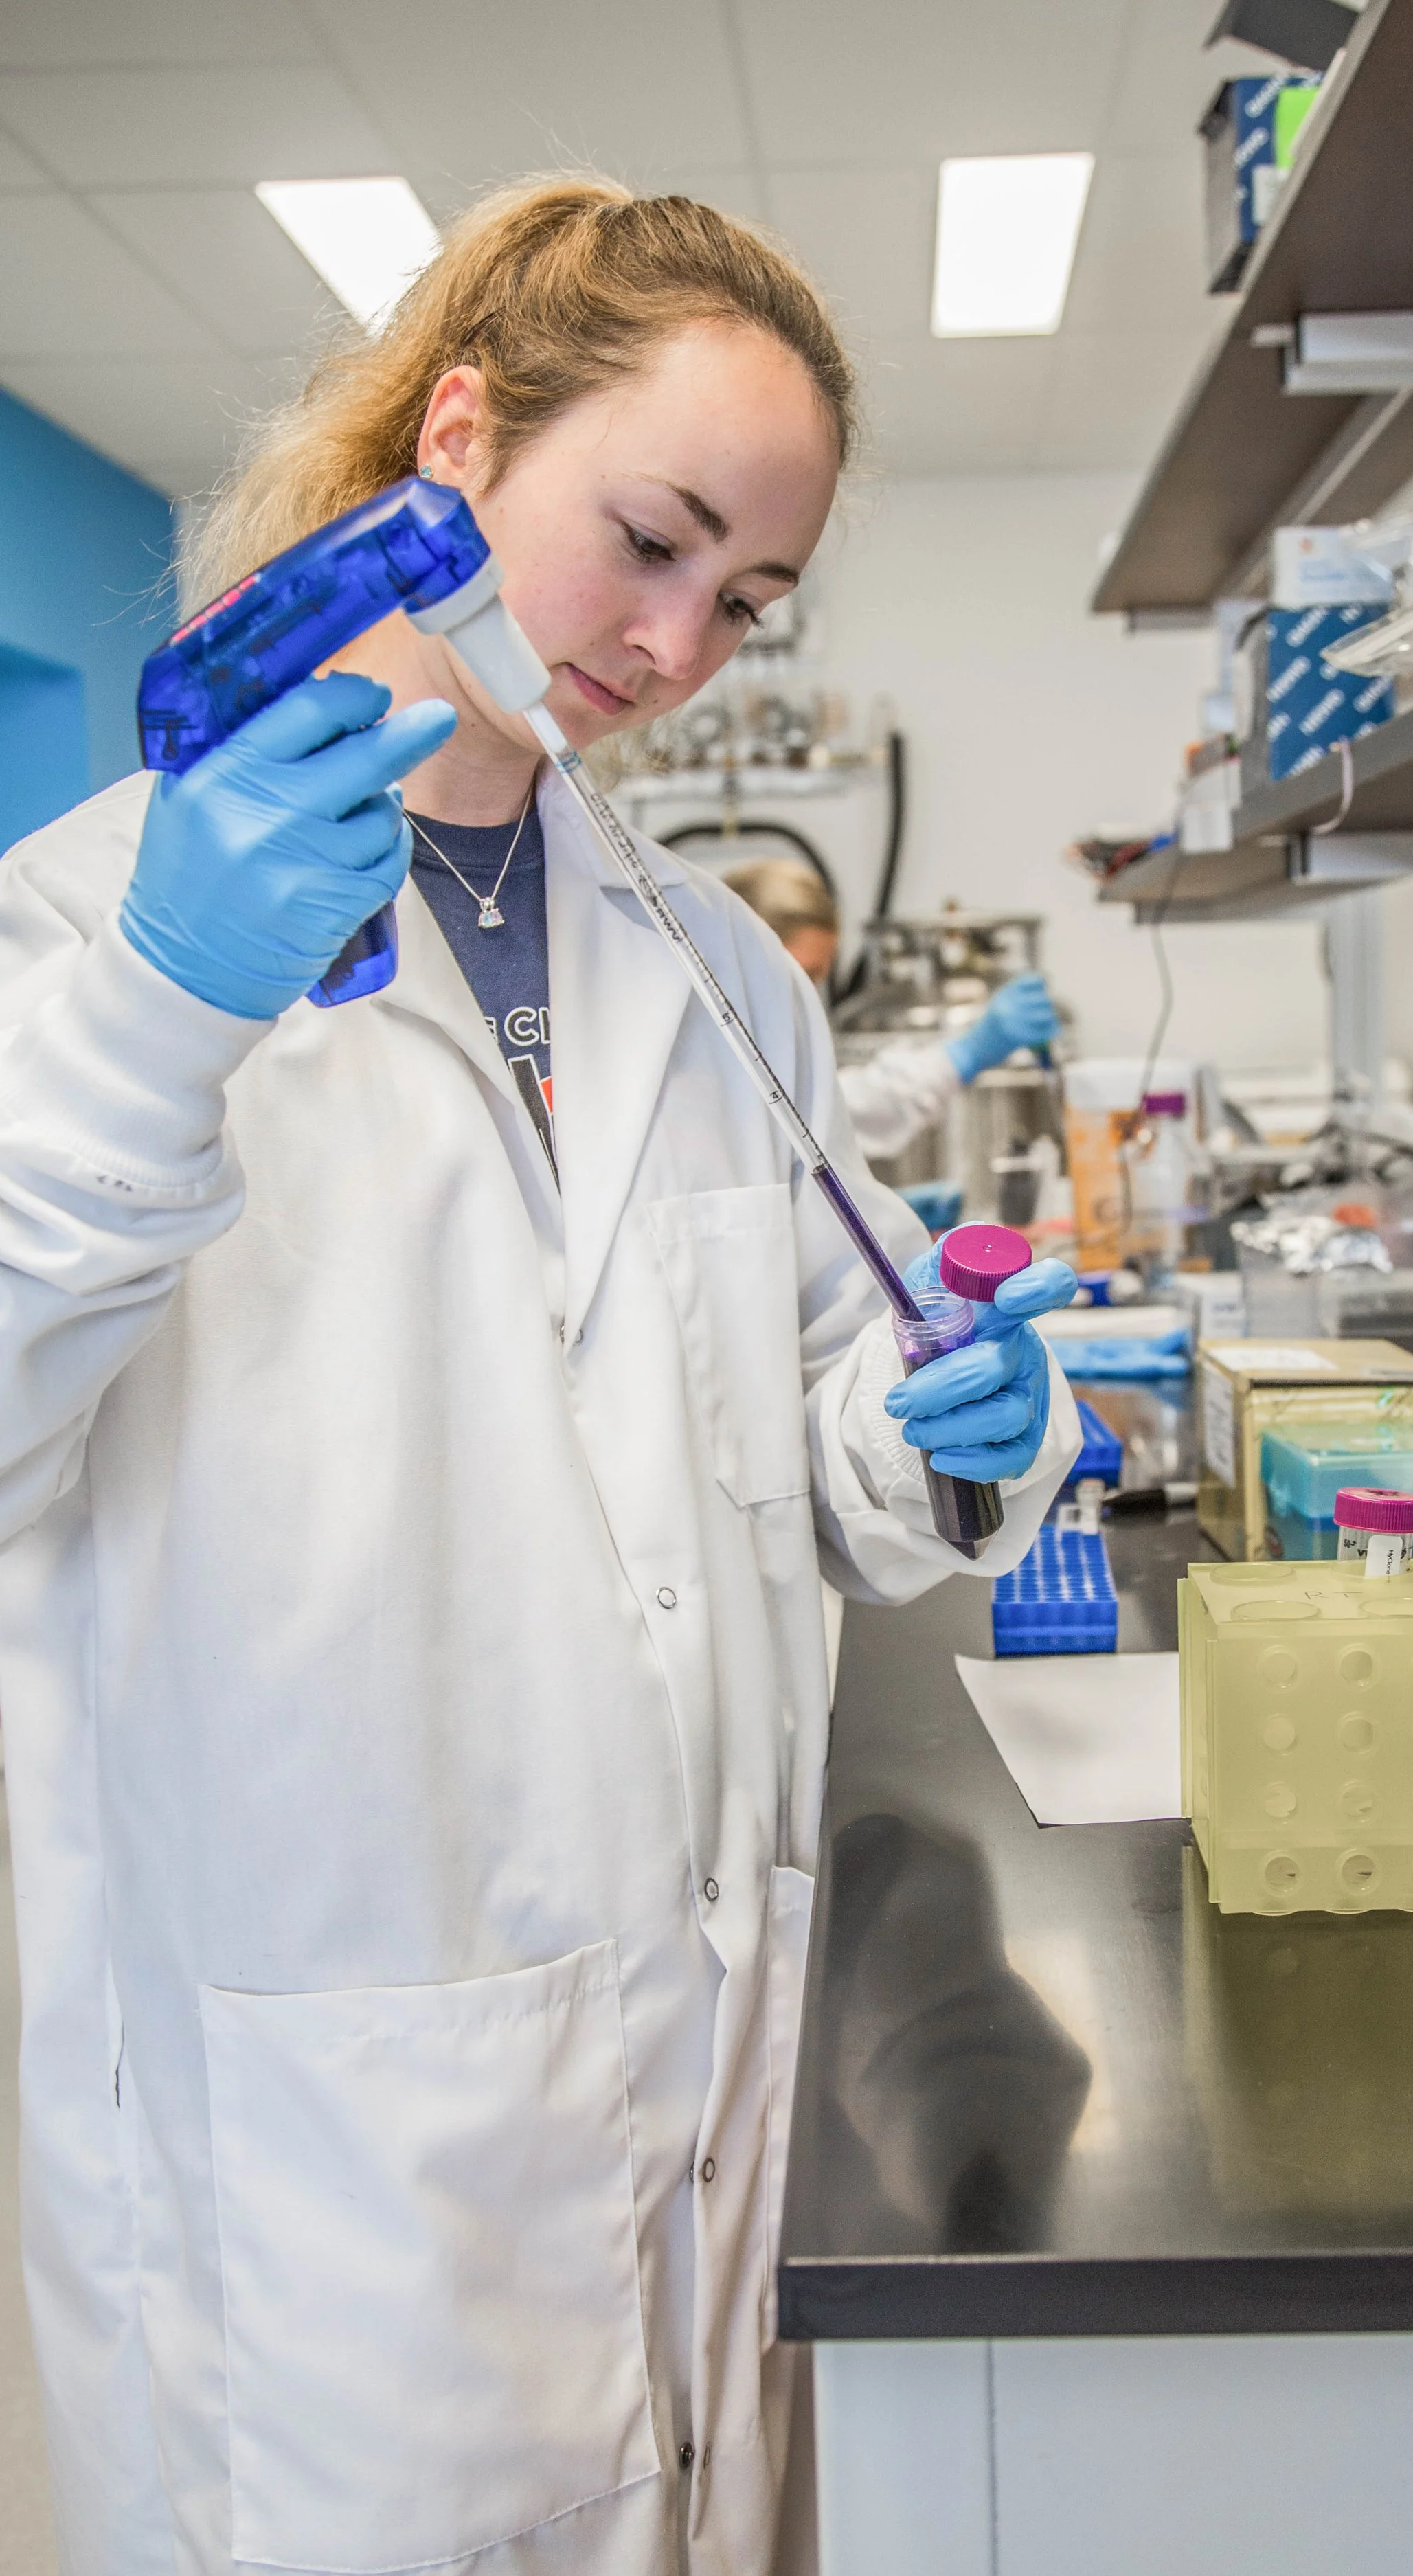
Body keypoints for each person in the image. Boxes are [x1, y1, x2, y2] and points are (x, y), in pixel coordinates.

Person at [0, 179, 1079, 2576]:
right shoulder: (77, 927)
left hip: (707, 2053)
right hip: (328, 2138)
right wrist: (167, 1014)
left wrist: (908, 1451)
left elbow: (771, 1437)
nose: (679, 643)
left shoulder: (715, 974)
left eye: (750, 597)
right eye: (654, 538)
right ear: (459, 441)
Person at [721, 854, 1061, 1161]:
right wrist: (965, 1054)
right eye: (802, 975)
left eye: (820, 978)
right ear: (741, 959)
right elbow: (838, 1112)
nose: (809, 995)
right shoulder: (714, 1056)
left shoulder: (777, 1043)